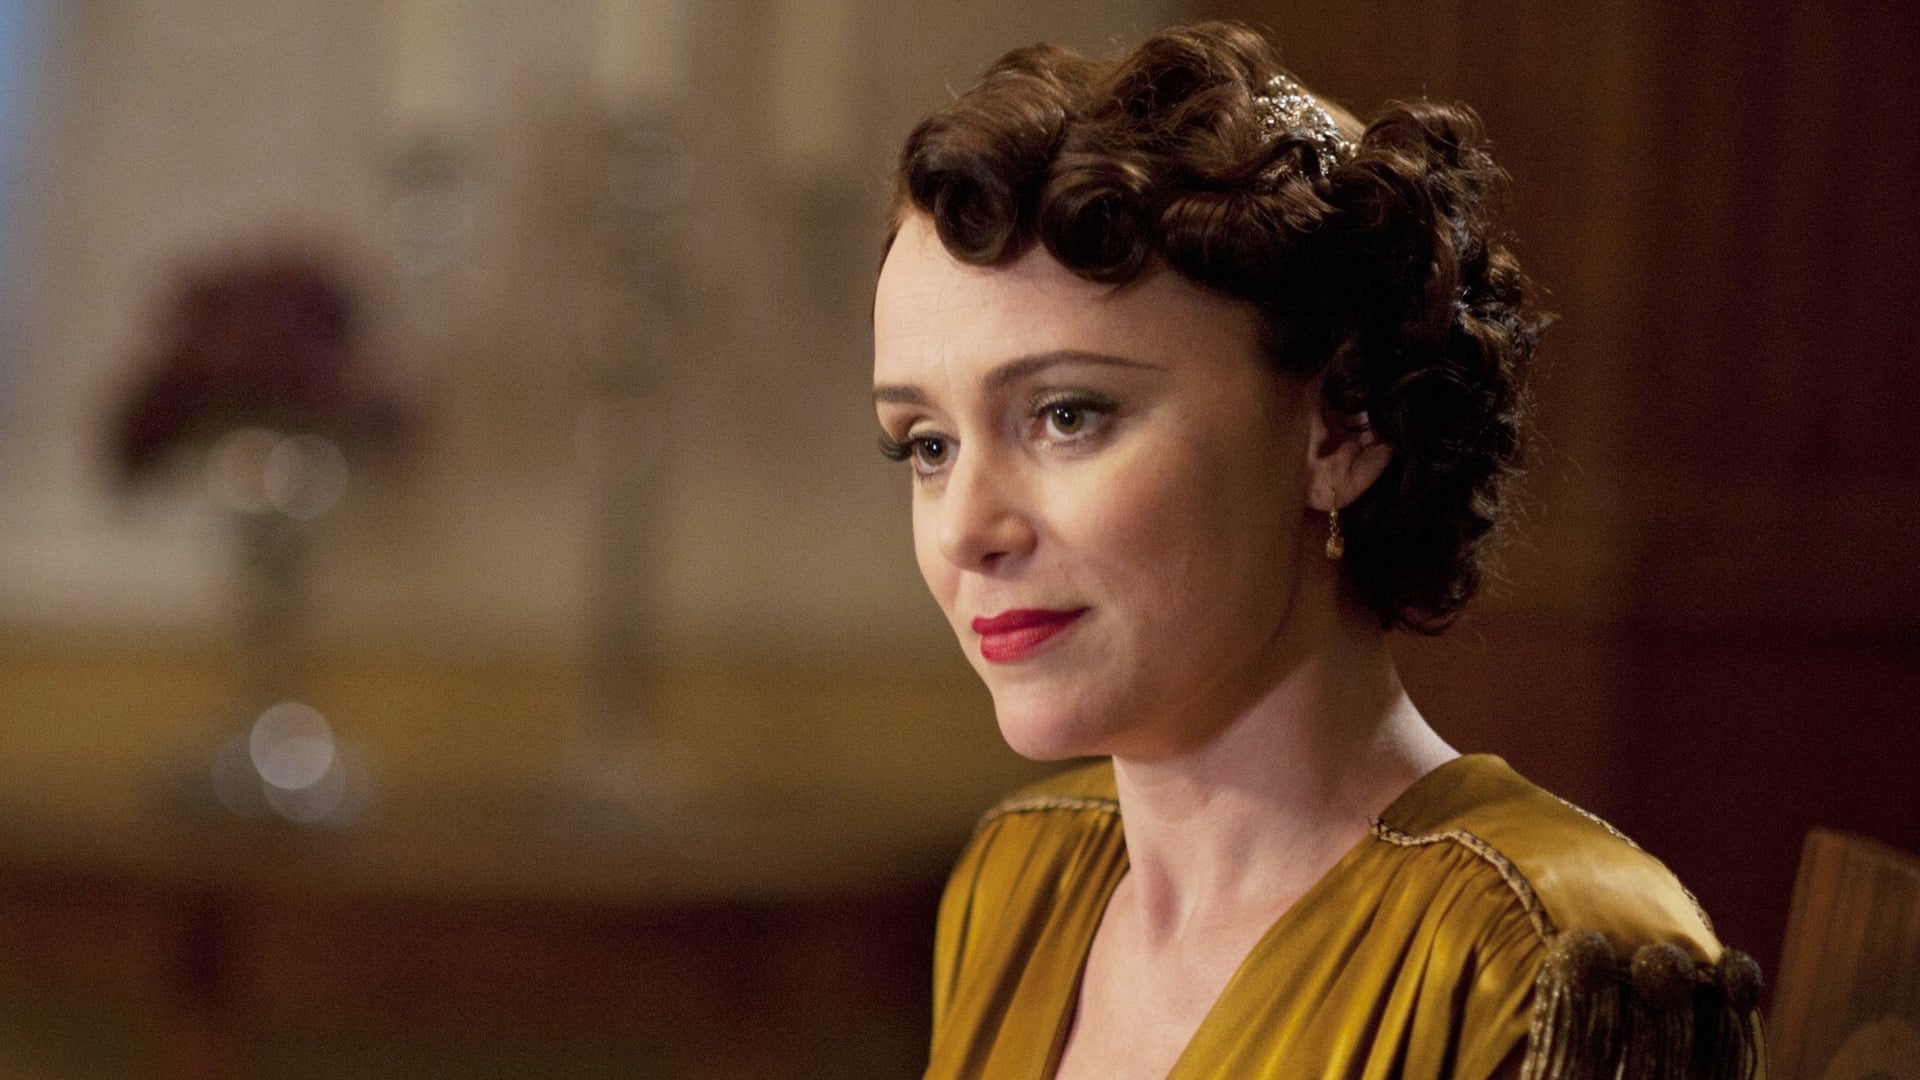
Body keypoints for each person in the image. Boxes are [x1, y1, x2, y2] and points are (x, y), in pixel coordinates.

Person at [871, 21, 1764, 1080]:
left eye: (1067, 416)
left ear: (1342, 425)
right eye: (927, 445)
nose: (965, 529)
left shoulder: (1551, 959)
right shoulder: (1024, 875)